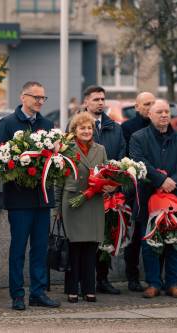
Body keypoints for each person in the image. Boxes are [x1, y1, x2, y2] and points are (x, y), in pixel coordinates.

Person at [0, 81, 60, 311]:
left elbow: (54, 160)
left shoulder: (47, 124)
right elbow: (1, 158)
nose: (40, 102)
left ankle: (38, 292)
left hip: (42, 198)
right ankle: (17, 294)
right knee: (18, 248)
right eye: (36, 97)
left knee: (40, 248)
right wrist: (20, 168)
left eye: (43, 98)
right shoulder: (7, 123)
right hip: (19, 198)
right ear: (23, 97)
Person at [129, 99, 177, 299]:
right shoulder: (138, 137)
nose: (165, 115)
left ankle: (173, 283)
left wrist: (173, 181)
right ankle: (153, 283)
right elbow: (139, 161)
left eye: (167, 111)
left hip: (175, 197)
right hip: (149, 197)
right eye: (159, 112)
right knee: (150, 243)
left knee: (175, 242)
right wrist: (160, 180)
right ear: (150, 115)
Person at [58, 112, 114, 303]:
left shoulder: (101, 149)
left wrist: (108, 185)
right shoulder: (66, 150)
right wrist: (57, 210)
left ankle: (89, 288)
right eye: (82, 128)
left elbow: (108, 173)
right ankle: (72, 289)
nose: (86, 131)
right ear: (74, 130)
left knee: (91, 248)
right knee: (74, 248)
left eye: (89, 128)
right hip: (72, 201)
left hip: (94, 202)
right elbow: (58, 181)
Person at [79, 85, 126, 295]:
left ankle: (103, 279)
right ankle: (82, 281)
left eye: (102, 99)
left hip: (109, 192)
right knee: (85, 239)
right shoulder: (77, 126)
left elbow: (122, 157)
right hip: (85, 193)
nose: (100, 102)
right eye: (96, 99)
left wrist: (112, 183)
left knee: (105, 236)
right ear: (86, 102)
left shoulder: (115, 128)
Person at [121, 91, 156, 292]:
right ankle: (132, 275)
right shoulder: (128, 128)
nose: (150, 107)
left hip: (154, 188)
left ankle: (154, 278)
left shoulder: (160, 127)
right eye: (146, 104)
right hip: (134, 189)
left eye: (153, 103)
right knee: (133, 236)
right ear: (137, 107)